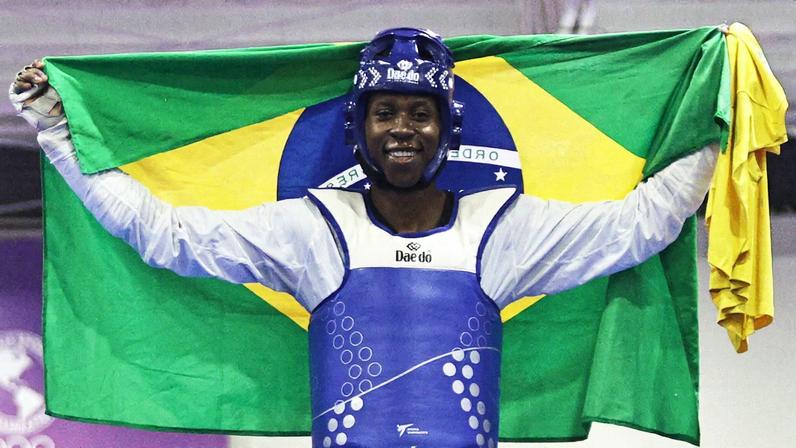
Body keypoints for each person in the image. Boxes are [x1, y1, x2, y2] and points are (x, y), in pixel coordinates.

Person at [11, 28, 717, 448]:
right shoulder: (313, 229)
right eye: (385, 112)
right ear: (359, 129)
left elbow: (640, 224)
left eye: (420, 112)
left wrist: (718, 122)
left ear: (448, 129)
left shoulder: (502, 230)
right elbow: (164, 235)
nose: (403, 127)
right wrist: (60, 134)